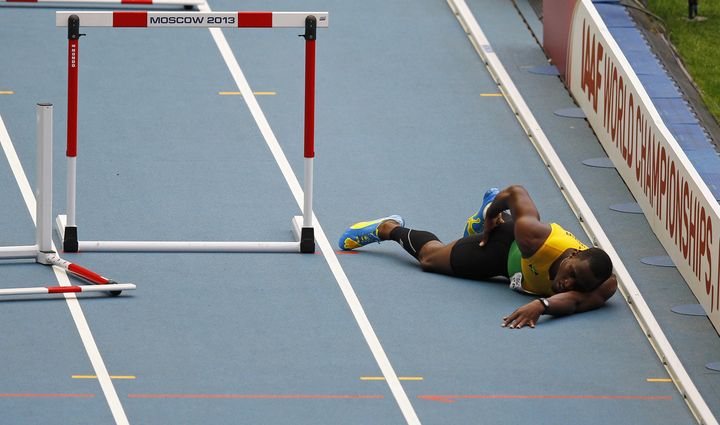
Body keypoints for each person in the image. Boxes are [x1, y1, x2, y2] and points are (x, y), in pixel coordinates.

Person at [338, 185, 617, 329]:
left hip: (517, 275)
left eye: (578, 283)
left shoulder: (600, 284)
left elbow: (576, 302)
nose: (568, 283)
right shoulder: (535, 237)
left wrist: (542, 305)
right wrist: (493, 215)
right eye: (571, 274)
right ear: (573, 255)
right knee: (430, 259)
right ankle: (387, 228)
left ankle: (487, 214)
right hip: (507, 249)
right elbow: (516, 192)